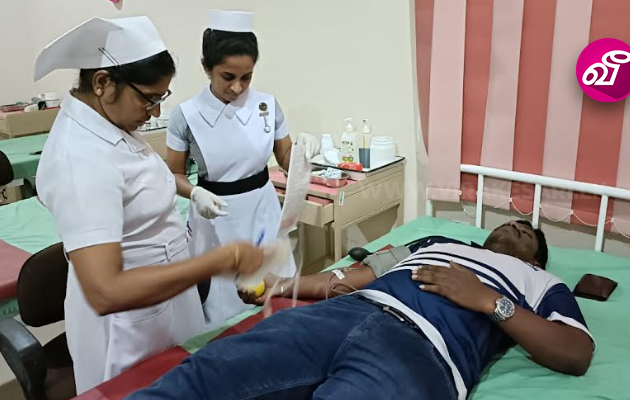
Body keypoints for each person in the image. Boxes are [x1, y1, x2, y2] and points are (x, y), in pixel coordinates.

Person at [34, 16, 264, 393]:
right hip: (128, 326)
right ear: (103, 83)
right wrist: (215, 262)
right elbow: (105, 291)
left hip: (164, 302)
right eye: (149, 98)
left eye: (161, 99)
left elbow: (143, 188)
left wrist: (194, 197)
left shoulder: (112, 125)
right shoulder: (79, 159)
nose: (155, 112)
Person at [125, 220, 594, 400]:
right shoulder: (434, 241)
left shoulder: (539, 282)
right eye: (510, 222)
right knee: (210, 370)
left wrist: (488, 300)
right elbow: (351, 279)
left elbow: (575, 353)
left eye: (526, 233)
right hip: (342, 315)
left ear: (535, 258)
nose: (514, 226)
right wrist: (279, 286)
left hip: (422, 352)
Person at [165, 9, 320, 327]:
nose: (237, 87)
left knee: (276, 294)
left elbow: (285, 155)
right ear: (206, 67)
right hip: (215, 217)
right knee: (224, 309)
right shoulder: (187, 116)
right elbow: (174, 174)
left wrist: (303, 153)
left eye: (246, 77)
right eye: (227, 77)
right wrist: (195, 194)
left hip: (263, 210)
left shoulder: (266, 106)